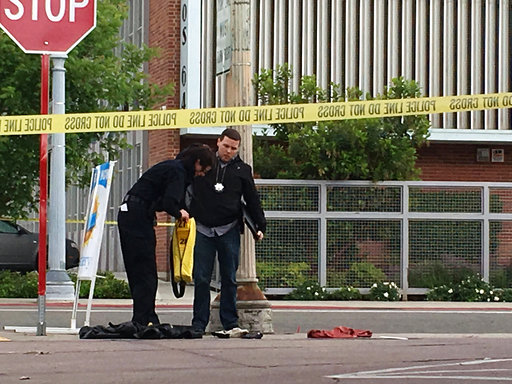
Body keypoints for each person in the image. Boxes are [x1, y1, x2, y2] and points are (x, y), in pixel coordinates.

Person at [118, 145, 215, 326]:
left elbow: (163, 200)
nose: (201, 174)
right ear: (198, 162)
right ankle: (144, 318)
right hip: (137, 216)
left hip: (132, 213)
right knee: (145, 270)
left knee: (140, 269)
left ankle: (144, 316)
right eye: (204, 170)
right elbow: (170, 202)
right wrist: (181, 213)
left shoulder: (171, 167)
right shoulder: (178, 172)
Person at [190, 128, 266, 333]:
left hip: (228, 229)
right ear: (218, 142)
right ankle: (198, 323)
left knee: (229, 278)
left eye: (233, 148)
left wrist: (259, 225)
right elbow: (188, 188)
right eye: (226, 146)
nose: (229, 151)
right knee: (201, 277)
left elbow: (252, 199)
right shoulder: (205, 164)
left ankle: (230, 322)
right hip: (204, 229)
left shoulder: (243, 170)